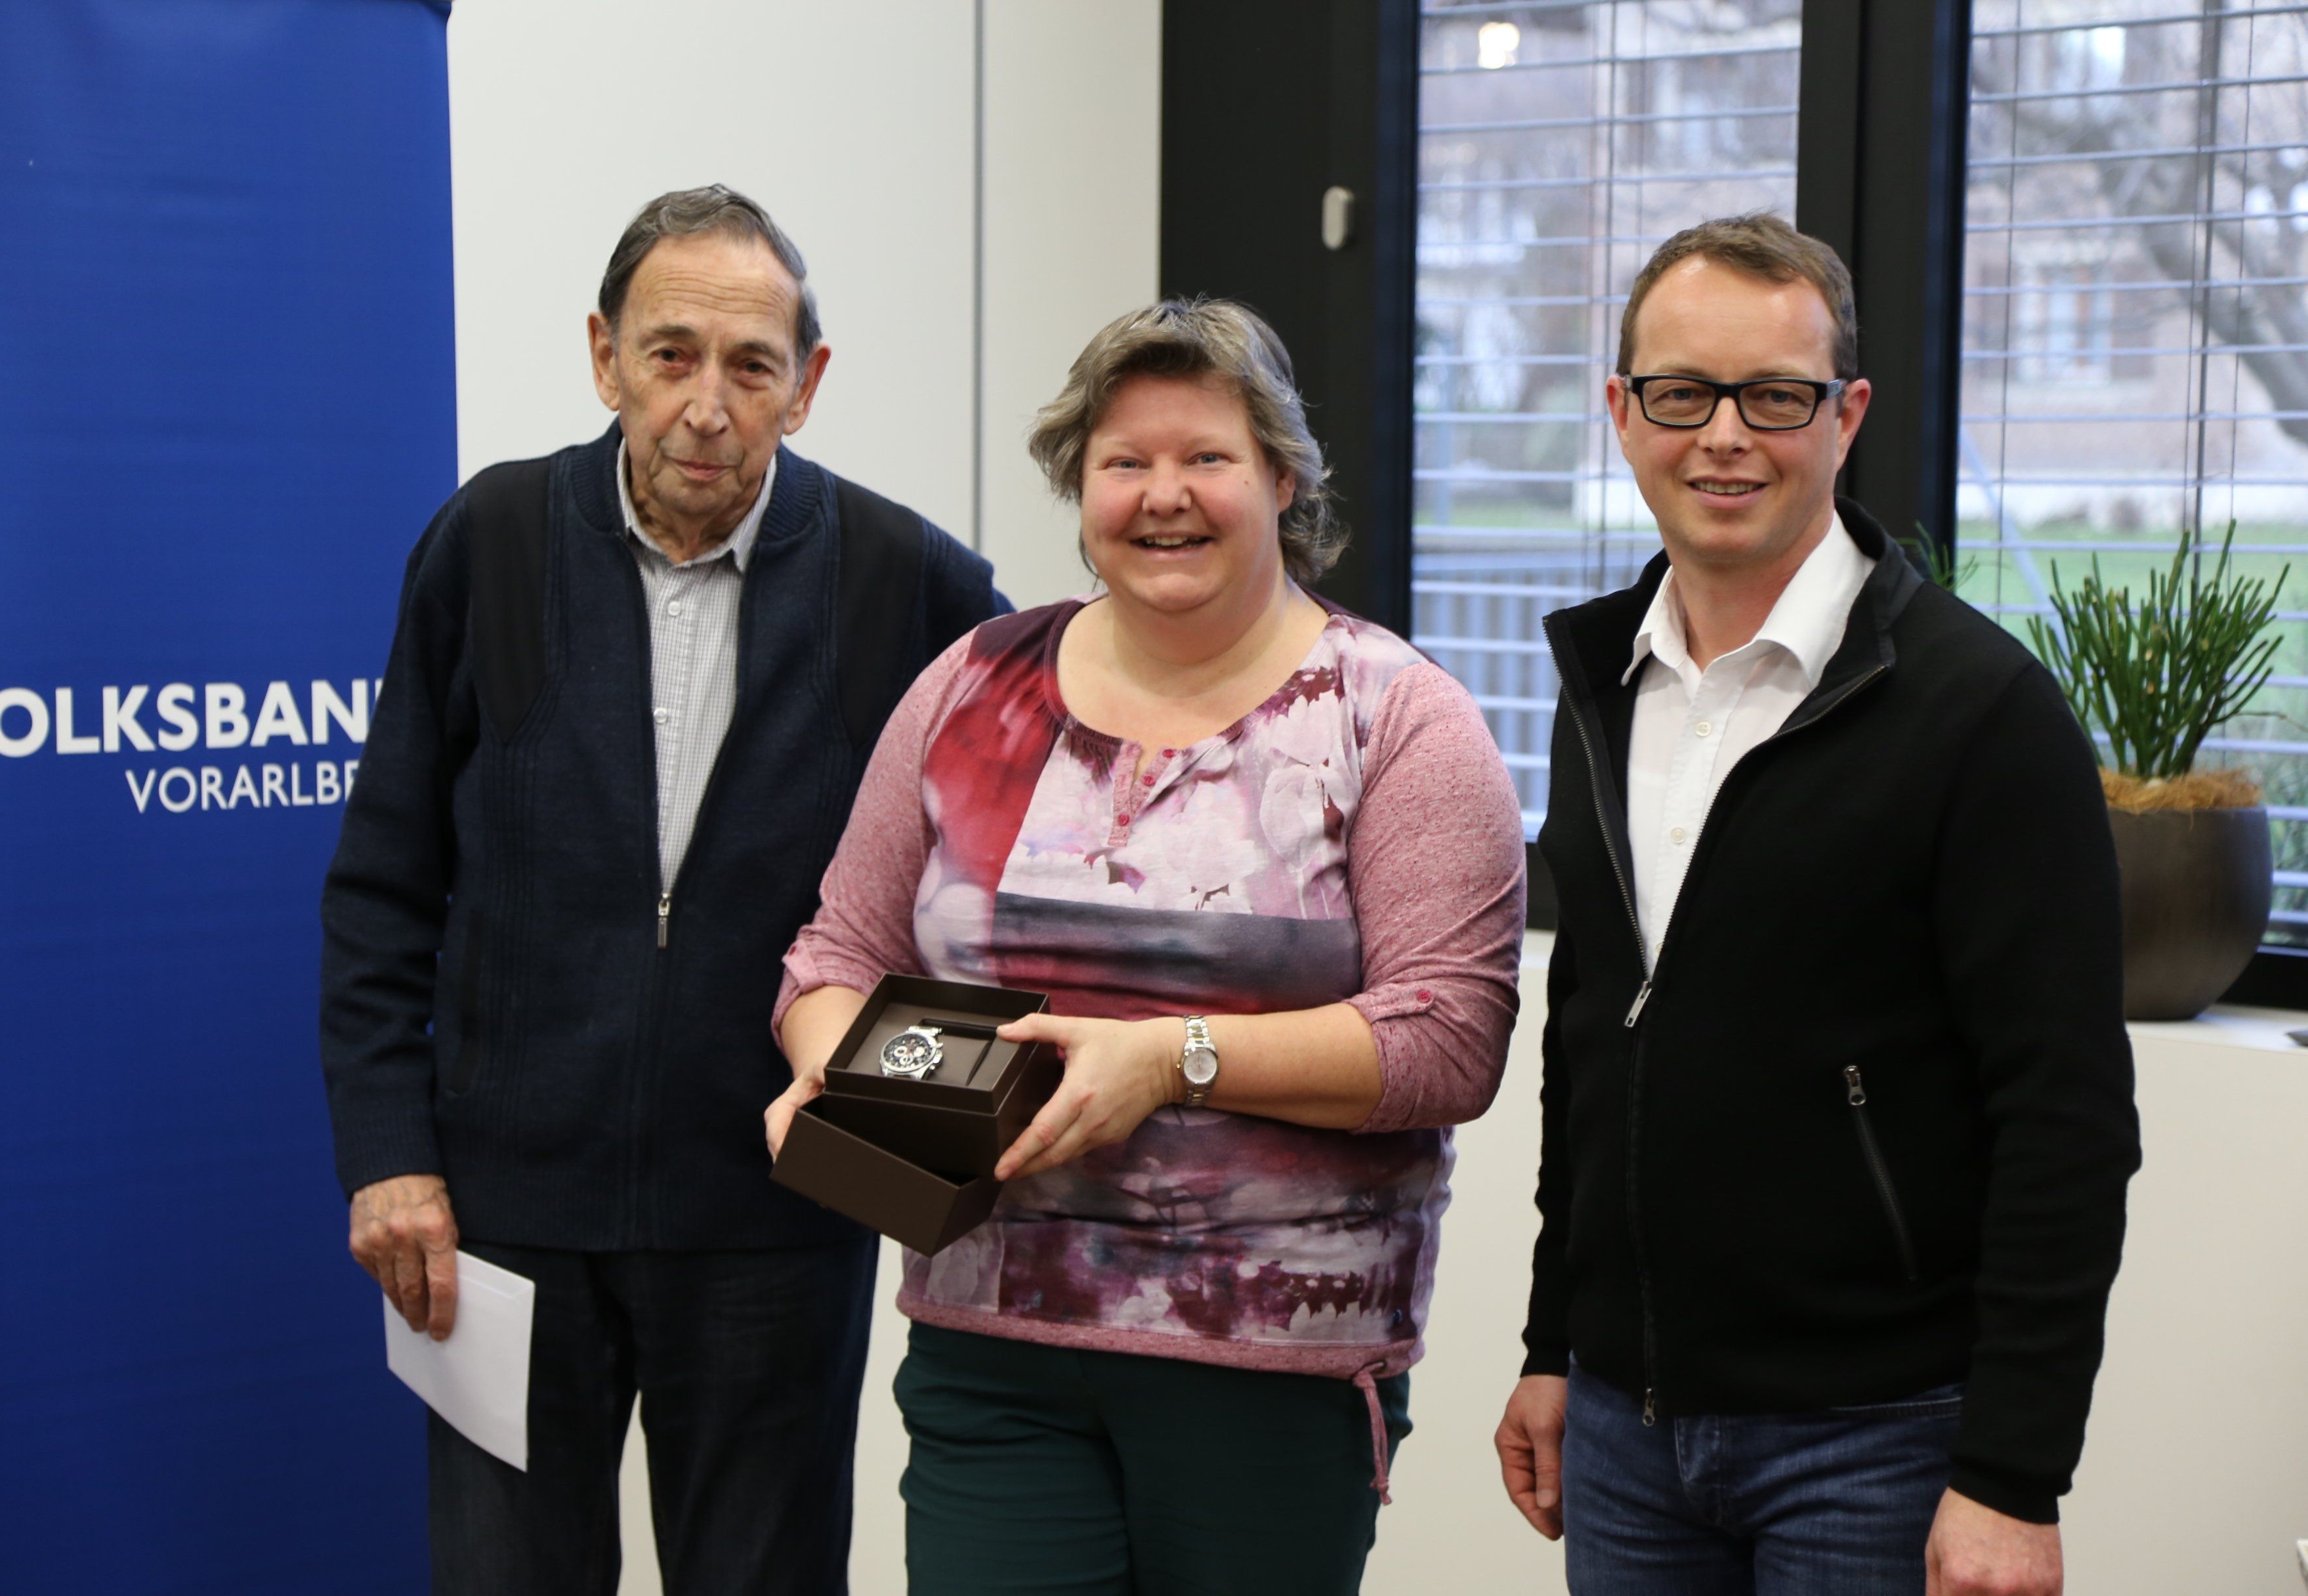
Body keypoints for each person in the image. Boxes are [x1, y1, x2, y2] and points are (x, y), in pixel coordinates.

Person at [765, 298, 1525, 1595]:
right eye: (1126, 461)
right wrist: (848, 1090)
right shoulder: (972, 687)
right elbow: (832, 960)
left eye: (1207, 456)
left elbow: (1449, 1044)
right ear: (1082, 487)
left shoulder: (1395, 718)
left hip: (1269, 1367)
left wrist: (1173, 1060)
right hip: (992, 1354)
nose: (1164, 495)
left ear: (1281, 477)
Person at [318, 185, 1004, 1596]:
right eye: (671, 354)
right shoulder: (490, 540)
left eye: (752, 366)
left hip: (778, 1219)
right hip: (501, 1221)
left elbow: (1002, 886)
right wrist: (389, 1151)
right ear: (604, 357)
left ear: (807, 384)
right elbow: (384, 883)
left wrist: (908, 1140)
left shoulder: (912, 581)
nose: (707, 405)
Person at [1492, 213, 2142, 1596]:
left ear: (1846, 417)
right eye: (1683, 393)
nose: (1725, 436)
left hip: (1880, 1440)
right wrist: (1556, 1341)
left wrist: (2012, 1474)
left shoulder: (1980, 712)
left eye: (1776, 397)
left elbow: (2067, 1120)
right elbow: (1592, 1047)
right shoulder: (1602, 684)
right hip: (1623, 1429)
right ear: (1622, 412)